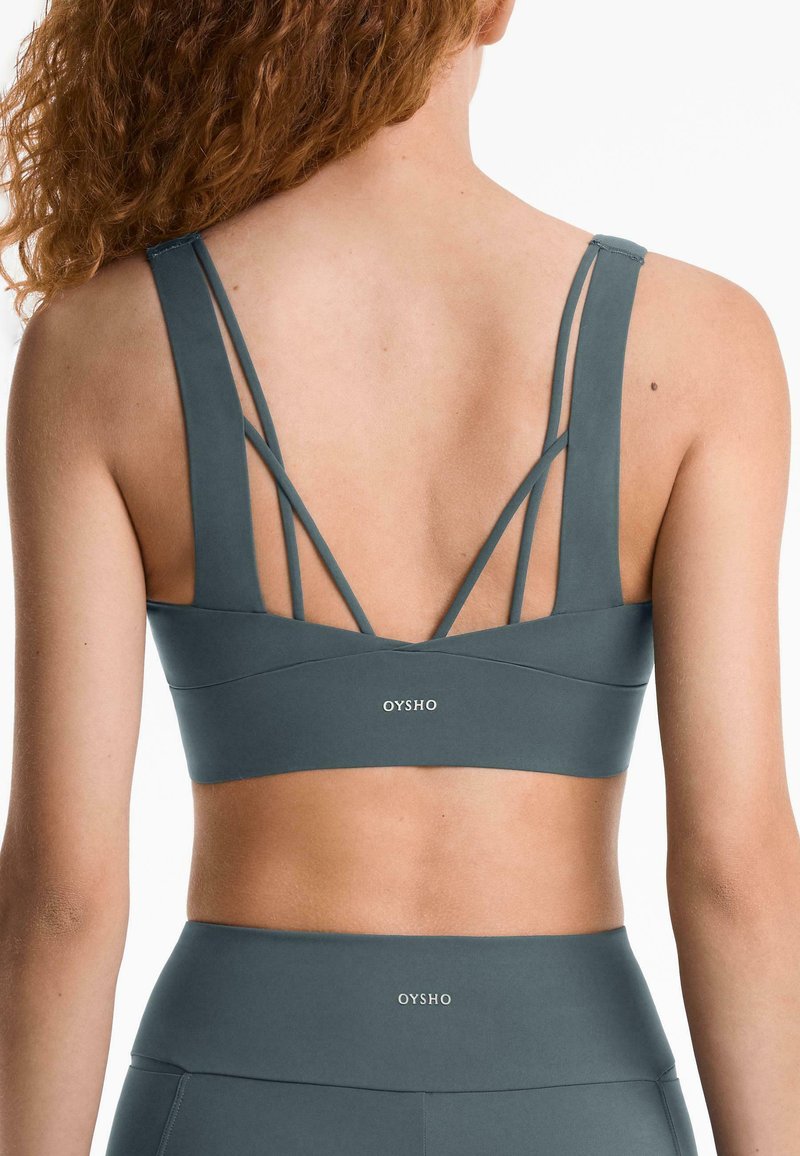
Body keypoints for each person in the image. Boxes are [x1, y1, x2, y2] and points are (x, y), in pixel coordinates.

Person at [0, 1, 797, 1153]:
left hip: (232, 1098)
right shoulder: (697, 345)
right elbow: (735, 873)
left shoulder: (100, 348)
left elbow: (62, 897)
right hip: (576, 1102)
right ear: (491, 11)